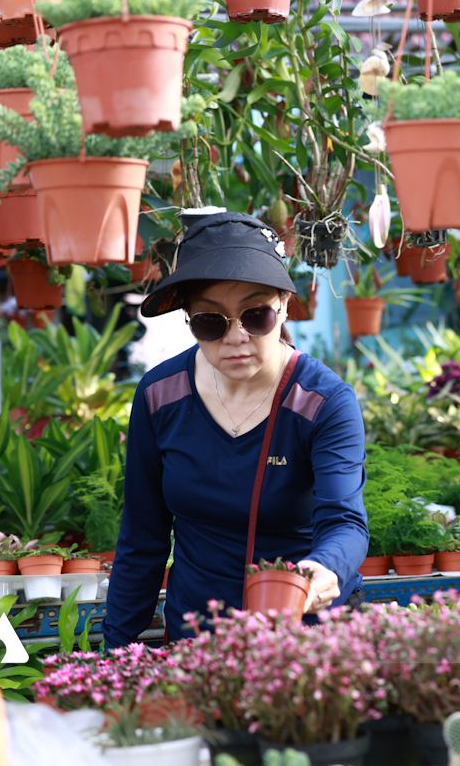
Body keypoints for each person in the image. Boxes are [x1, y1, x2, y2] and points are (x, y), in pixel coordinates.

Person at [102, 212, 368, 650]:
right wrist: (114, 654)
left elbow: (344, 521)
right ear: (188, 317)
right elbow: (142, 537)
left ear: (283, 304)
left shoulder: (323, 401)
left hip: (308, 640)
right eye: (211, 320)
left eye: (256, 314)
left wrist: (325, 568)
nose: (236, 337)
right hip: (198, 641)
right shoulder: (159, 396)